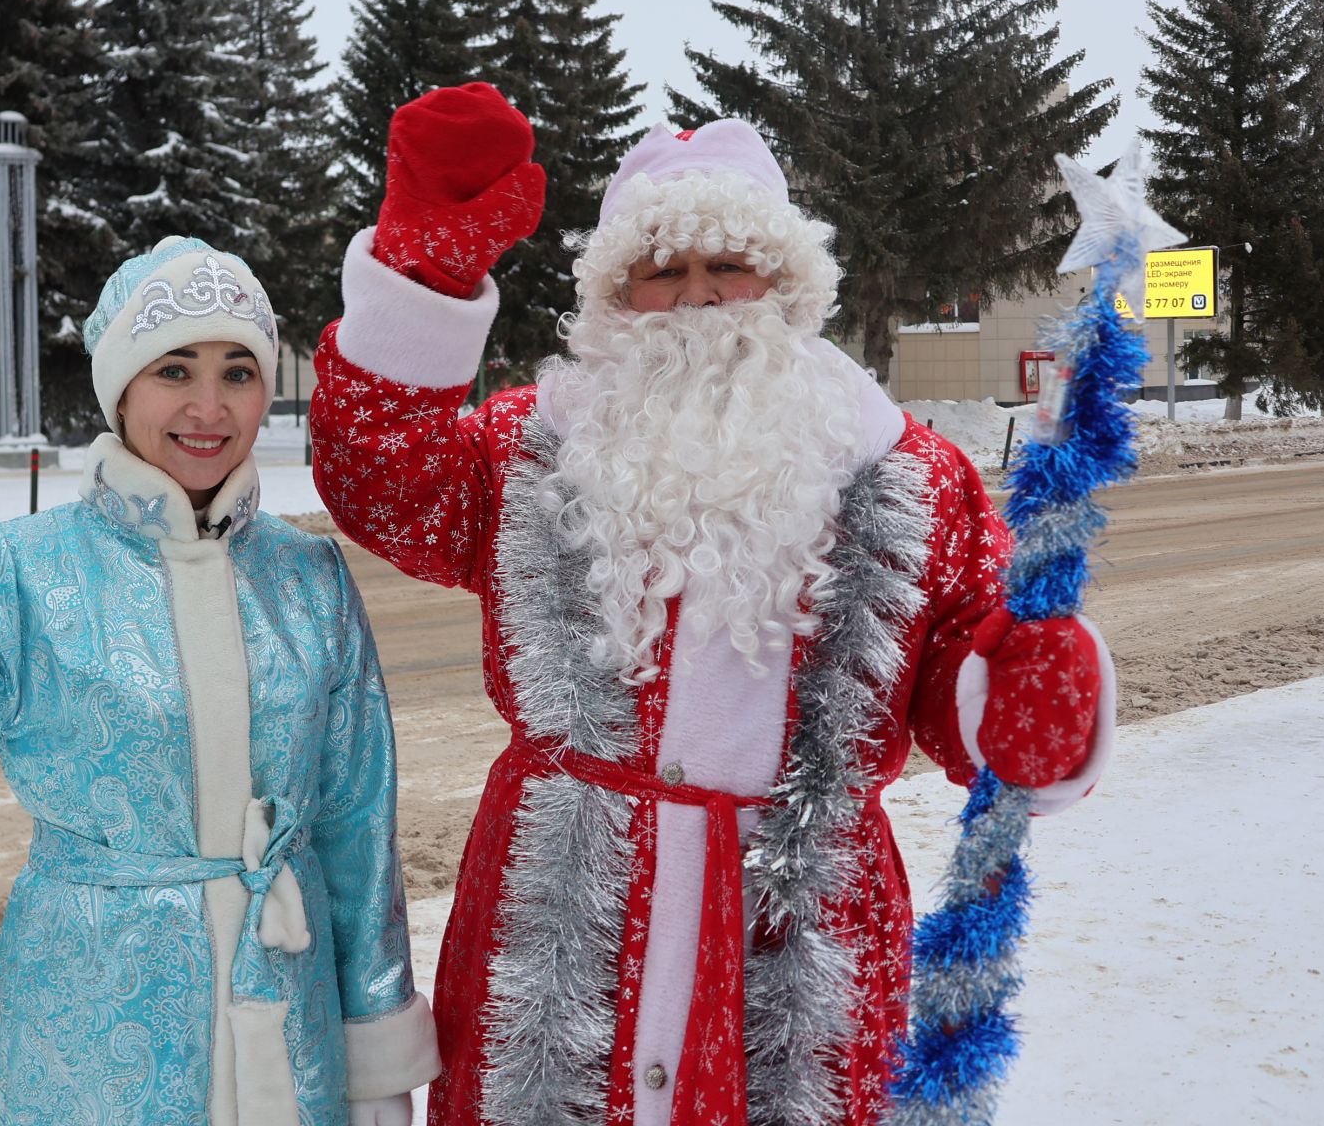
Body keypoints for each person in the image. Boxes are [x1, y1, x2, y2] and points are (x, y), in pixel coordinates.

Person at [308, 86, 1115, 1126]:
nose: (697, 297)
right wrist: (427, 269)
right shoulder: (528, 450)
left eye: (728, 264)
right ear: (616, 296)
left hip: (801, 925)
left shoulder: (906, 473)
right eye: (662, 272)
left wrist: (1028, 702)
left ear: (784, 282)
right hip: (560, 912)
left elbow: (961, 686)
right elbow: (383, 479)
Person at [0, 237, 437, 1126]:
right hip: (87, 1044)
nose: (209, 407)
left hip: (288, 1038)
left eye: (239, 372)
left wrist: (376, 1058)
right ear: (121, 386)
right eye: (174, 369)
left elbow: (355, 830)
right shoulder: (25, 572)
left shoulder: (309, 578)